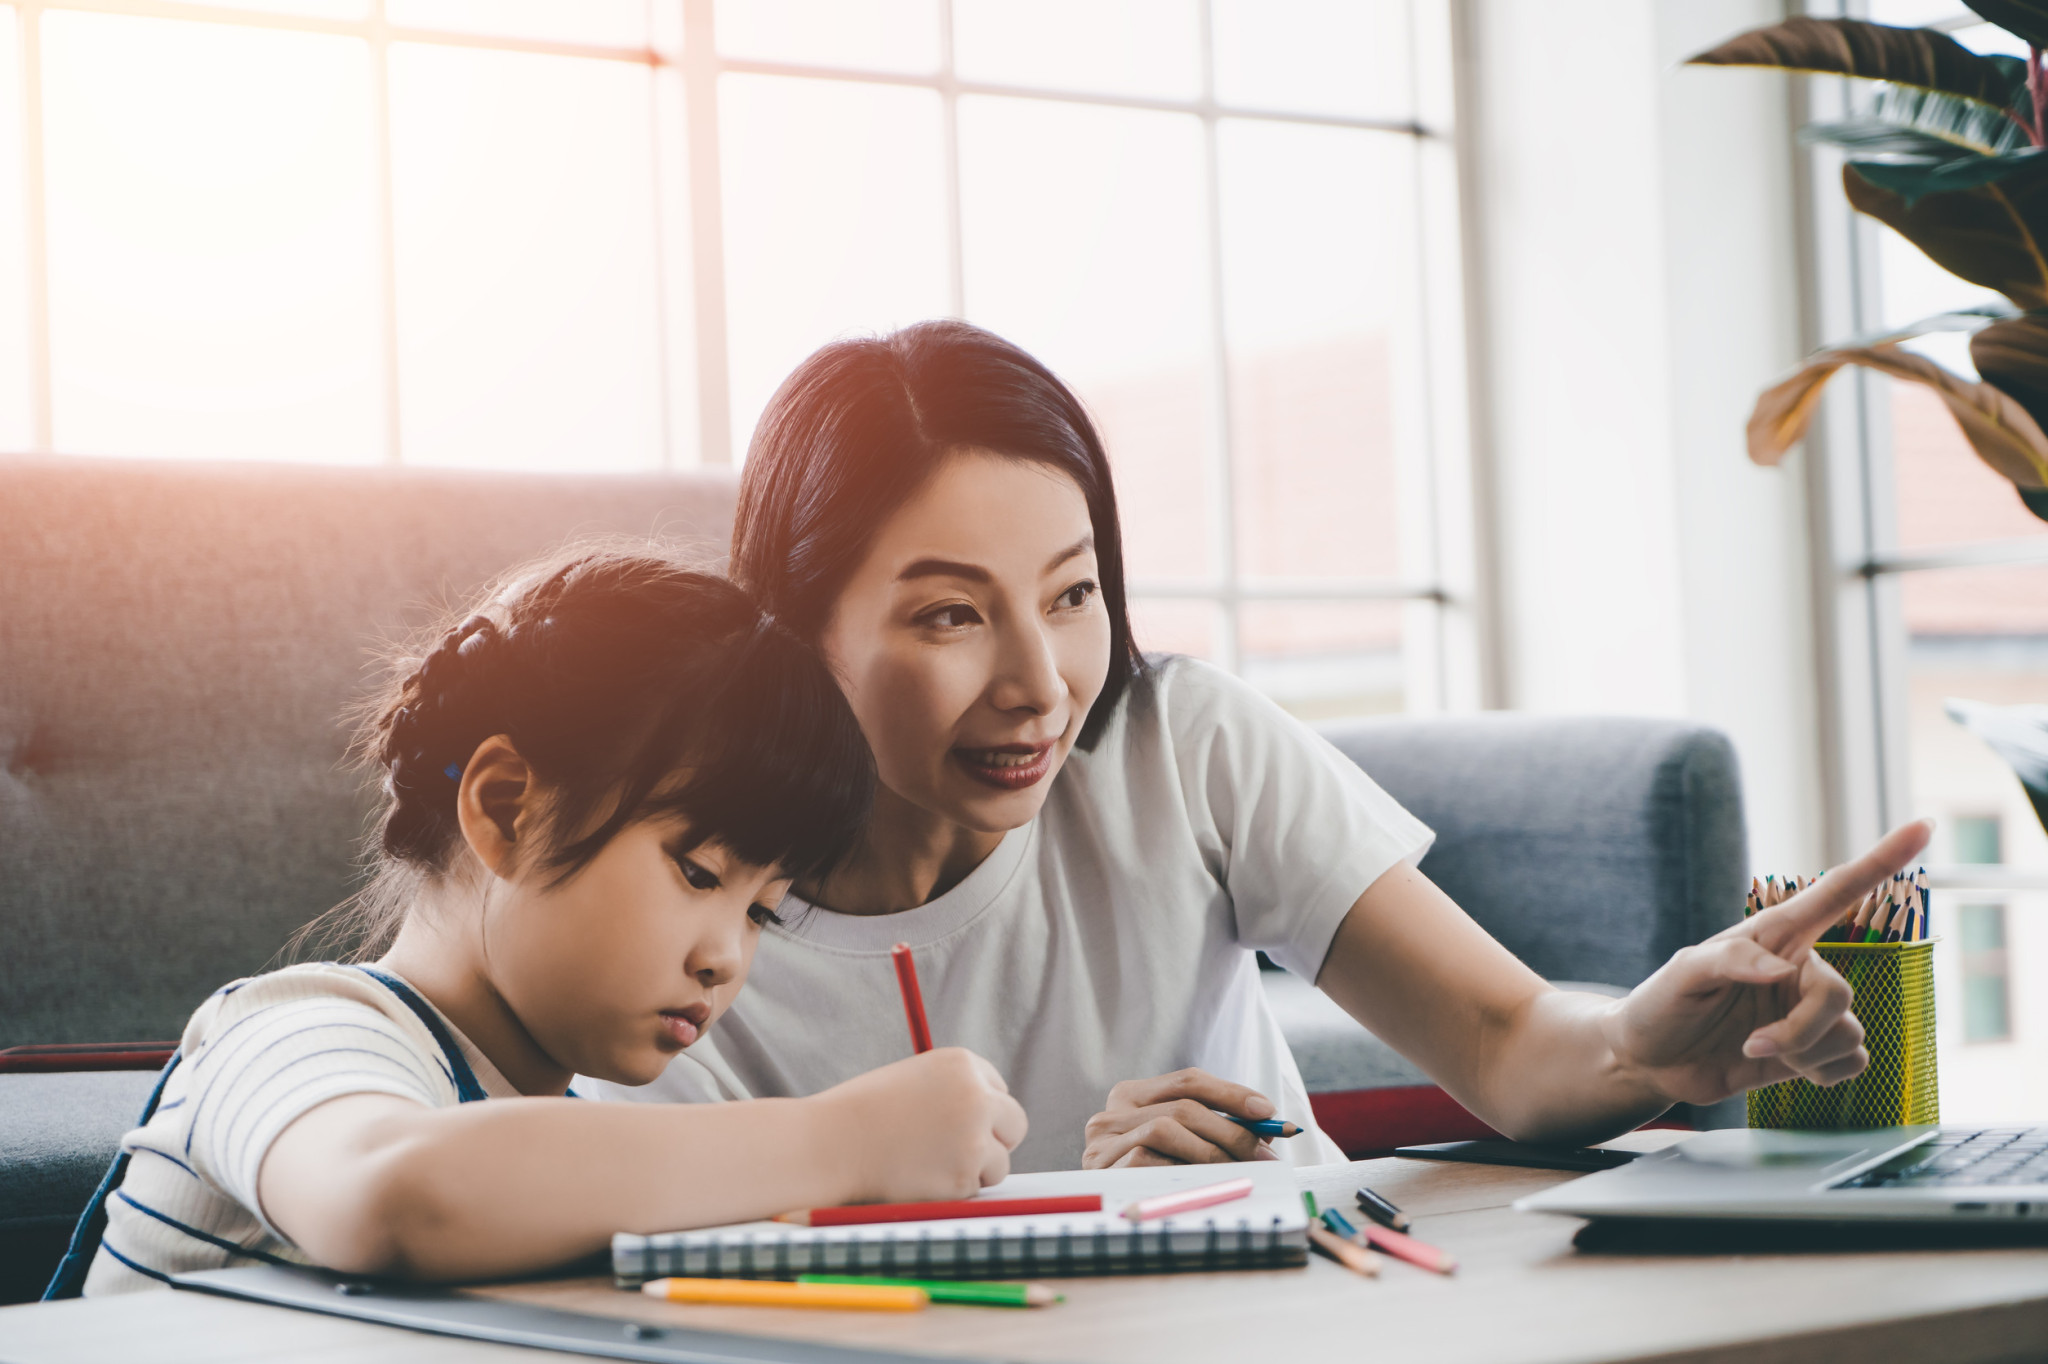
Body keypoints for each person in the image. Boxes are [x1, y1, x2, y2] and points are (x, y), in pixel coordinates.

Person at [587, 320, 1930, 1174]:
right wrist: (1085, 1220)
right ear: (793, 622)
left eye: (1072, 595)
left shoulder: (1186, 745)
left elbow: (1508, 1036)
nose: (1038, 684)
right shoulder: (685, 921)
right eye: (950, 615)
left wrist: (1641, 1040)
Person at [63, 548, 1025, 1297]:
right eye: (697, 871)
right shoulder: (294, 1033)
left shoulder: (556, 1142)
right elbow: (399, 1196)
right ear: (508, 807)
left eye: (764, 913)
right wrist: (842, 1145)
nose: (726, 957)